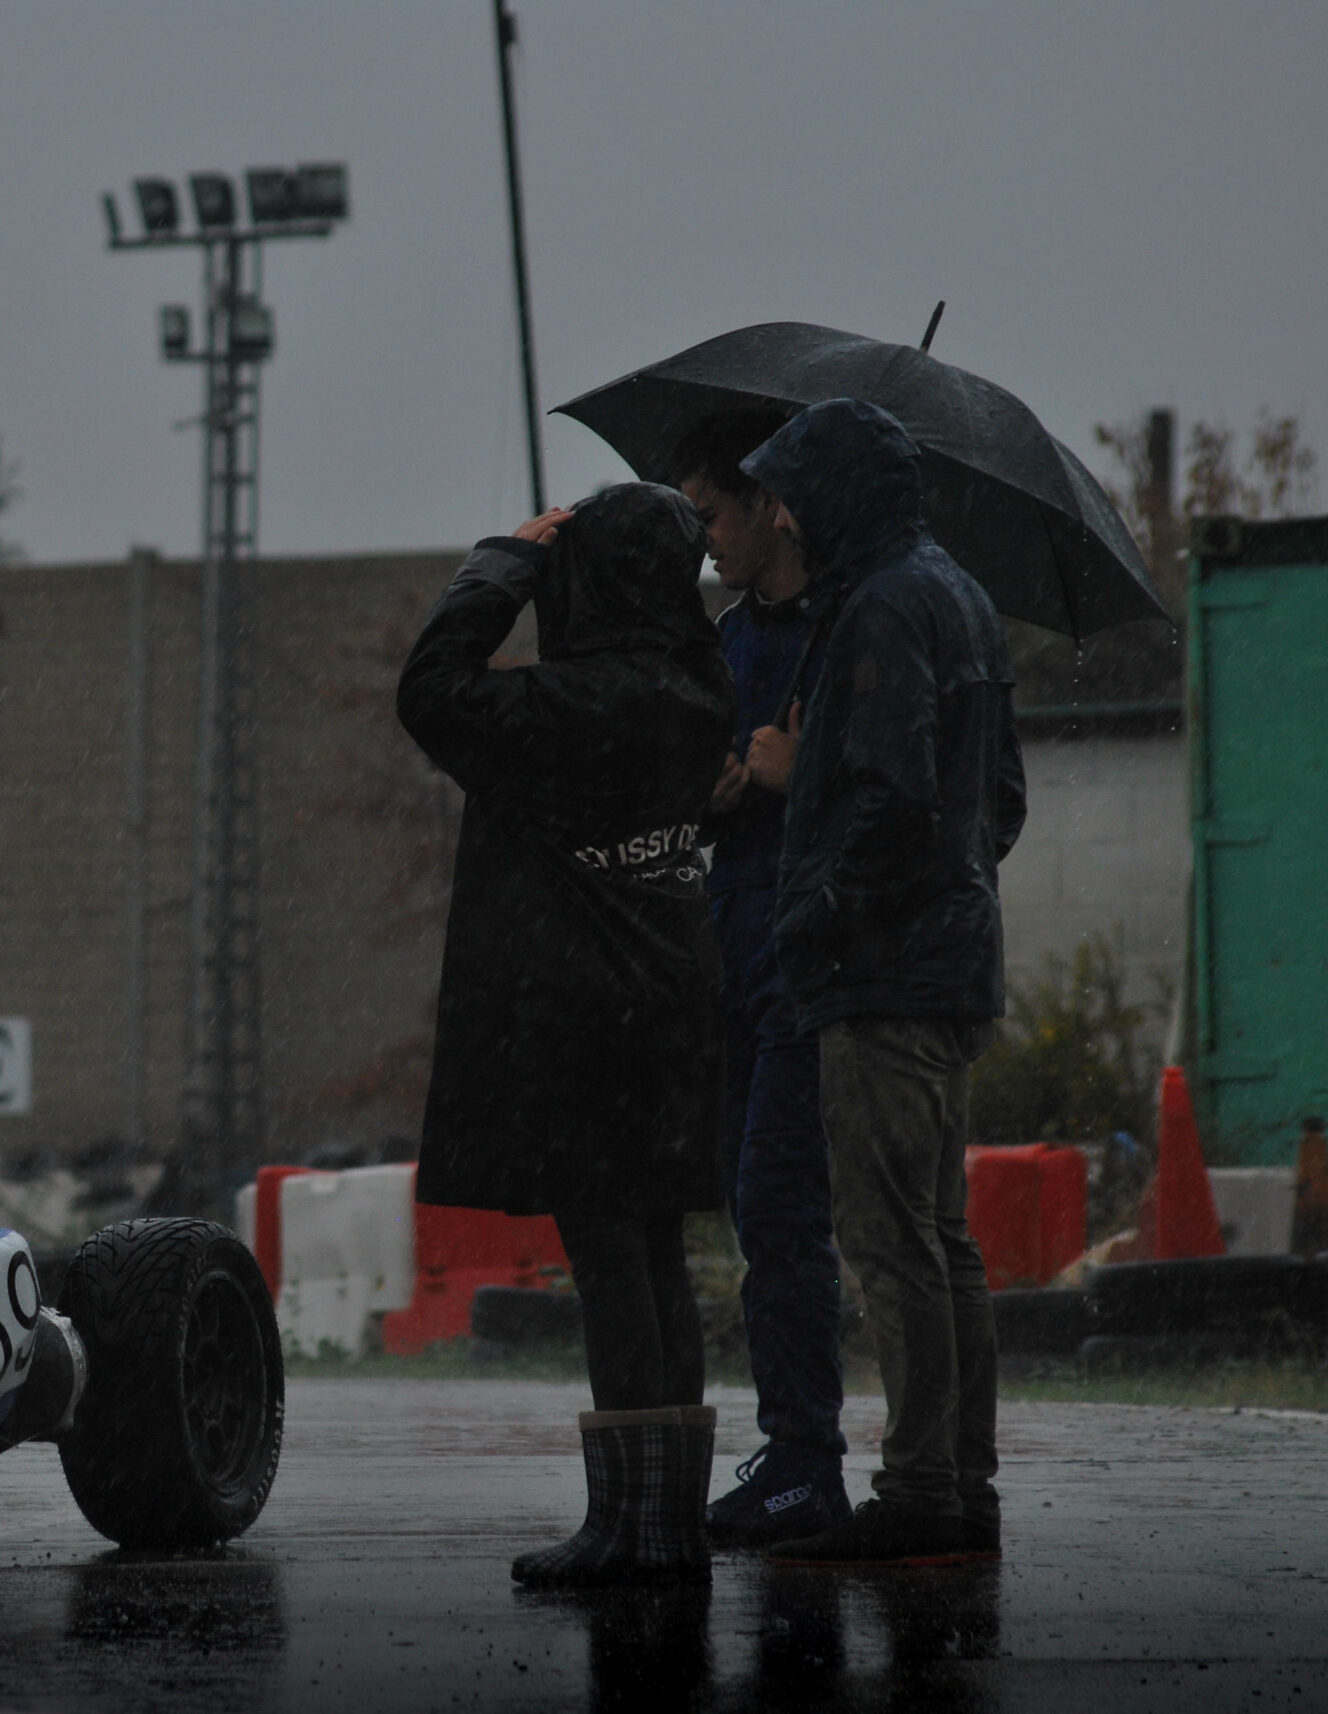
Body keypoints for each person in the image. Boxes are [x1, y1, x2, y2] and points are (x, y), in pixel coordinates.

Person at [397, 482, 736, 1586]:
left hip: (586, 1017)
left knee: (607, 1257)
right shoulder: (698, 690)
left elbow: (428, 691)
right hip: (679, 1010)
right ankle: (669, 1515)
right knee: (657, 1257)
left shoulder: (561, 709)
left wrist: (503, 561)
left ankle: (625, 1525)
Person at [738, 399, 1026, 1568]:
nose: (782, 513)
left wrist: (815, 917)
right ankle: (959, 1481)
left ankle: (917, 1488)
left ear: (831, 496)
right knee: (942, 1236)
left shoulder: (877, 610)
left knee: (889, 1236)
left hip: (881, 977)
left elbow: (887, 801)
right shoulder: (956, 596)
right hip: (953, 964)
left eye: (790, 491)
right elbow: (993, 799)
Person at [671, 411, 852, 1547]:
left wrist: (798, 774)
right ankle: (791, 1449)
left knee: (785, 1213)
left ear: (767, 507)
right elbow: (682, 778)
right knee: (753, 1209)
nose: (702, 544)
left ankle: (803, 1458)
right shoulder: (726, 641)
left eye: (711, 517)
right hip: (731, 958)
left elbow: (895, 791)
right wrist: (718, 789)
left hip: (811, 962)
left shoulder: (855, 630)